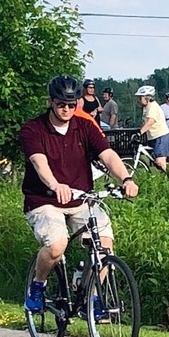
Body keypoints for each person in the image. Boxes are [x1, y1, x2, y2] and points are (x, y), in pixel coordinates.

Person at [21, 75, 138, 316]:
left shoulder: (84, 127)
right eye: (61, 104)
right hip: (44, 200)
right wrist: (55, 185)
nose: (66, 109)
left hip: (81, 198)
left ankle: (92, 296)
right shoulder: (34, 129)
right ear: (51, 102)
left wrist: (126, 179)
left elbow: (107, 155)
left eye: (71, 104)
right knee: (56, 245)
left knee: (104, 245)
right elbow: (38, 162)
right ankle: (38, 285)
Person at [135, 85, 169, 172]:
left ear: (147, 97)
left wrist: (140, 132)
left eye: (140, 97)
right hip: (153, 137)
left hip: (160, 135)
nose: (139, 100)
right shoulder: (146, 108)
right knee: (158, 163)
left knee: (160, 161)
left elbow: (150, 122)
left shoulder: (152, 106)